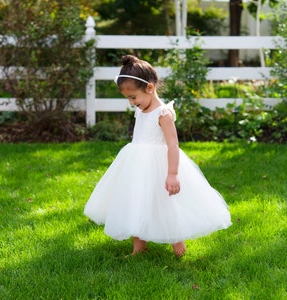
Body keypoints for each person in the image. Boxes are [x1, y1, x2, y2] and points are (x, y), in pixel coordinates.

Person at [84, 55, 231, 257]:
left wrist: (172, 174)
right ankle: (139, 247)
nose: (131, 102)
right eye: (128, 98)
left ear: (150, 89)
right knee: (136, 201)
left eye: (133, 97)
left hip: (160, 166)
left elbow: (172, 144)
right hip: (136, 165)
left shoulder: (163, 113)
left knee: (167, 204)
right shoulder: (141, 110)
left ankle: (179, 248)